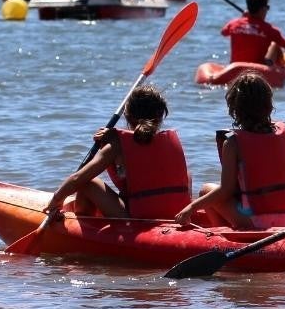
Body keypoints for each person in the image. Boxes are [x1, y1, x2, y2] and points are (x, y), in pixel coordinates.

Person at [174, 72, 285, 230]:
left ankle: (222, 237)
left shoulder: (233, 143)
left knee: (205, 190)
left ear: (235, 107)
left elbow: (225, 191)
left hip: (256, 222)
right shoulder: (283, 134)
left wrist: (191, 208)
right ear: (268, 103)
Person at [46, 85, 191, 219]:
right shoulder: (169, 141)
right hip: (176, 214)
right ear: (161, 115)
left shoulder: (117, 145)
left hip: (139, 218)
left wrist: (56, 200)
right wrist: (114, 136)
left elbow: (78, 179)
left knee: (87, 182)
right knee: (186, 175)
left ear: (127, 116)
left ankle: (85, 225)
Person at [221, 0, 285, 65]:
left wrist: (243, 18)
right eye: (267, 7)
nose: (267, 10)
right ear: (262, 9)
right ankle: (282, 66)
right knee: (275, 44)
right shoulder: (270, 30)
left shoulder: (233, 24)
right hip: (259, 68)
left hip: (236, 66)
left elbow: (223, 32)